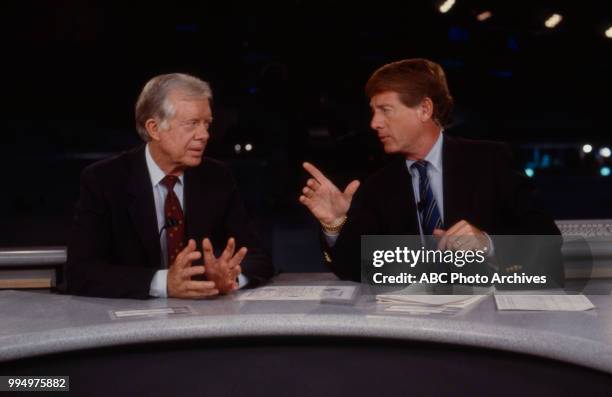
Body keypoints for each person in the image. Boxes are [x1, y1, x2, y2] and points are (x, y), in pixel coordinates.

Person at [299, 58, 562, 284]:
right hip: (415, 327)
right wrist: (335, 224)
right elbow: (353, 270)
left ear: (424, 109)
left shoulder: (490, 160)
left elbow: (547, 241)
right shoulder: (379, 185)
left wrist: (488, 245)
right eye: (373, 111)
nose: (374, 123)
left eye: (385, 110)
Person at [66, 73, 274, 299]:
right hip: (129, 321)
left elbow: (257, 256)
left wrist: (230, 277)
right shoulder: (104, 180)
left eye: (207, 124)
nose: (204, 135)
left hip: (203, 318)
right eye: (192, 124)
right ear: (154, 129)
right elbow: (81, 273)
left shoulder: (217, 177)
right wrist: (165, 283)